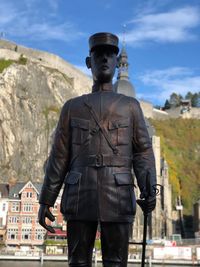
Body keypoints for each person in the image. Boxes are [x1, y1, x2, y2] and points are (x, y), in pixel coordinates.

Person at [38, 32, 156, 267]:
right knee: (78, 262)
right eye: (98, 54)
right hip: (80, 195)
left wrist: (149, 187)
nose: (105, 59)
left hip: (119, 195)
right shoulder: (71, 108)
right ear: (88, 62)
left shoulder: (131, 107)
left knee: (116, 263)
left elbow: (143, 151)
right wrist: (46, 200)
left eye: (110, 55)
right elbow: (59, 157)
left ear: (116, 62)